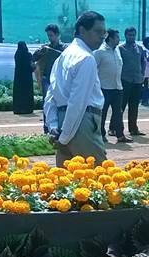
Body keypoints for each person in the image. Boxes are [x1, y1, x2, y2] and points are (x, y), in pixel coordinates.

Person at [44, 11, 107, 166]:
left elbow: (50, 97)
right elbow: (78, 102)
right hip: (81, 123)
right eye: (98, 31)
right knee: (100, 174)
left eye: (104, 33)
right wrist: (65, 137)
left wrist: (53, 127)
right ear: (82, 30)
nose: (102, 37)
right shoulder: (86, 58)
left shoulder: (62, 58)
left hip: (62, 122)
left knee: (66, 178)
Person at [32, 25, 67, 133]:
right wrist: (41, 52)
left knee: (61, 102)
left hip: (60, 79)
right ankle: (47, 128)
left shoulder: (65, 48)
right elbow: (33, 58)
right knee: (47, 102)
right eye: (48, 36)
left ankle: (60, 126)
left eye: (51, 35)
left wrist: (54, 51)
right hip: (47, 78)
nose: (49, 38)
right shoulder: (45, 48)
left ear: (58, 35)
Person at [95, 30, 128, 143]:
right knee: (102, 113)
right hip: (104, 88)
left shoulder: (117, 50)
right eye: (117, 37)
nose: (119, 39)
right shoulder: (100, 52)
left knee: (118, 113)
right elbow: (94, 69)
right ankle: (101, 135)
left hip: (117, 87)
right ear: (110, 38)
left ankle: (120, 135)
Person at [119, 27, 147, 137]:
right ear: (125, 35)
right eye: (129, 35)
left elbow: (143, 61)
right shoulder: (120, 49)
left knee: (134, 106)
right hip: (125, 80)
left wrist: (142, 73)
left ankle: (133, 129)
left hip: (137, 81)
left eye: (133, 35)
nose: (132, 37)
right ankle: (115, 128)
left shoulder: (139, 48)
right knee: (121, 106)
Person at [12, 42, 35, 115]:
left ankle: (18, 109)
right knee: (27, 93)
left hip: (18, 78)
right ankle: (27, 108)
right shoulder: (28, 55)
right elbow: (32, 66)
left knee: (18, 93)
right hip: (27, 78)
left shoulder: (17, 55)